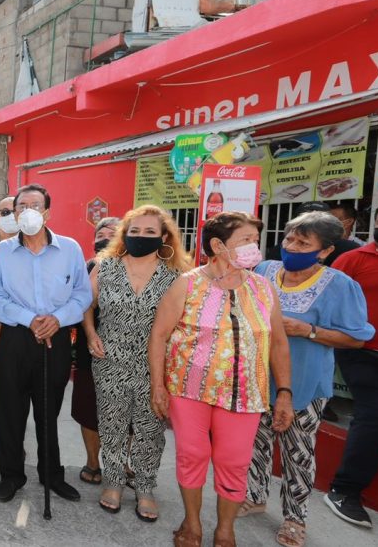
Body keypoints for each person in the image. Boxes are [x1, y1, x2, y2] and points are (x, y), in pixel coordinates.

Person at [148, 211, 295, 547]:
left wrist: (284, 391)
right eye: (245, 240)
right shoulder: (188, 283)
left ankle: (225, 530)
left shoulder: (263, 288)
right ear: (218, 245)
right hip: (189, 390)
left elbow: (278, 343)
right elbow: (159, 335)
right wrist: (157, 386)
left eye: (254, 241)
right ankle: (192, 523)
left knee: (234, 461)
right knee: (192, 455)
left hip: (246, 393)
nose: (253, 247)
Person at [240, 211, 374, 546]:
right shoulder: (265, 270)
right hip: (258, 378)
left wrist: (308, 330)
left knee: (297, 452)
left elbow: (357, 337)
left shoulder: (340, 285)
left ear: (325, 250)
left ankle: (294, 519)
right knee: (254, 443)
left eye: (303, 243)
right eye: (289, 239)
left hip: (304, 382)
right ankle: (255, 496)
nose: (292, 246)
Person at [0, 183, 92, 503]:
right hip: (16, 337)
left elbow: (83, 294)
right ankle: (12, 475)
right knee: (11, 413)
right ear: (14, 213)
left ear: (47, 211)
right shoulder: (3, 251)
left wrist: (57, 319)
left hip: (55, 339)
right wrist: (29, 318)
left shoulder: (70, 248)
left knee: (48, 412)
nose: (27, 211)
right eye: (21, 206)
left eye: (34, 205)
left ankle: (51, 475)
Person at [84, 207, 191, 521]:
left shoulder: (176, 275)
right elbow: (86, 305)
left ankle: (145, 486)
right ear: (124, 233)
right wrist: (91, 334)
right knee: (112, 424)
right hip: (109, 360)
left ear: (163, 236)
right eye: (135, 231)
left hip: (155, 365)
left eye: (149, 232)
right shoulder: (105, 267)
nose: (141, 237)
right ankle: (114, 482)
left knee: (150, 427)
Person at [324, 198, 378, 528]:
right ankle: (343, 491)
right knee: (375, 416)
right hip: (361, 352)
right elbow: (326, 298)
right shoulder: (353, 260)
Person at [72, 216, 120, 487]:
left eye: (113, 231)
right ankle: (93, 461)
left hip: (129, 352)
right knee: (90, 409)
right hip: (91, 350)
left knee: (127, 412)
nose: (106, 235)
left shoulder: (141, 268)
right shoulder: (87, 267)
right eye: (101, 232)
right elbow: (81, 303)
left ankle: (122, 462)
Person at [266, 201, 358, 266]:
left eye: (303, 243)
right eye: (303, 221)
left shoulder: (350, 251)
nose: (291, 247)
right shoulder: (278, 253)